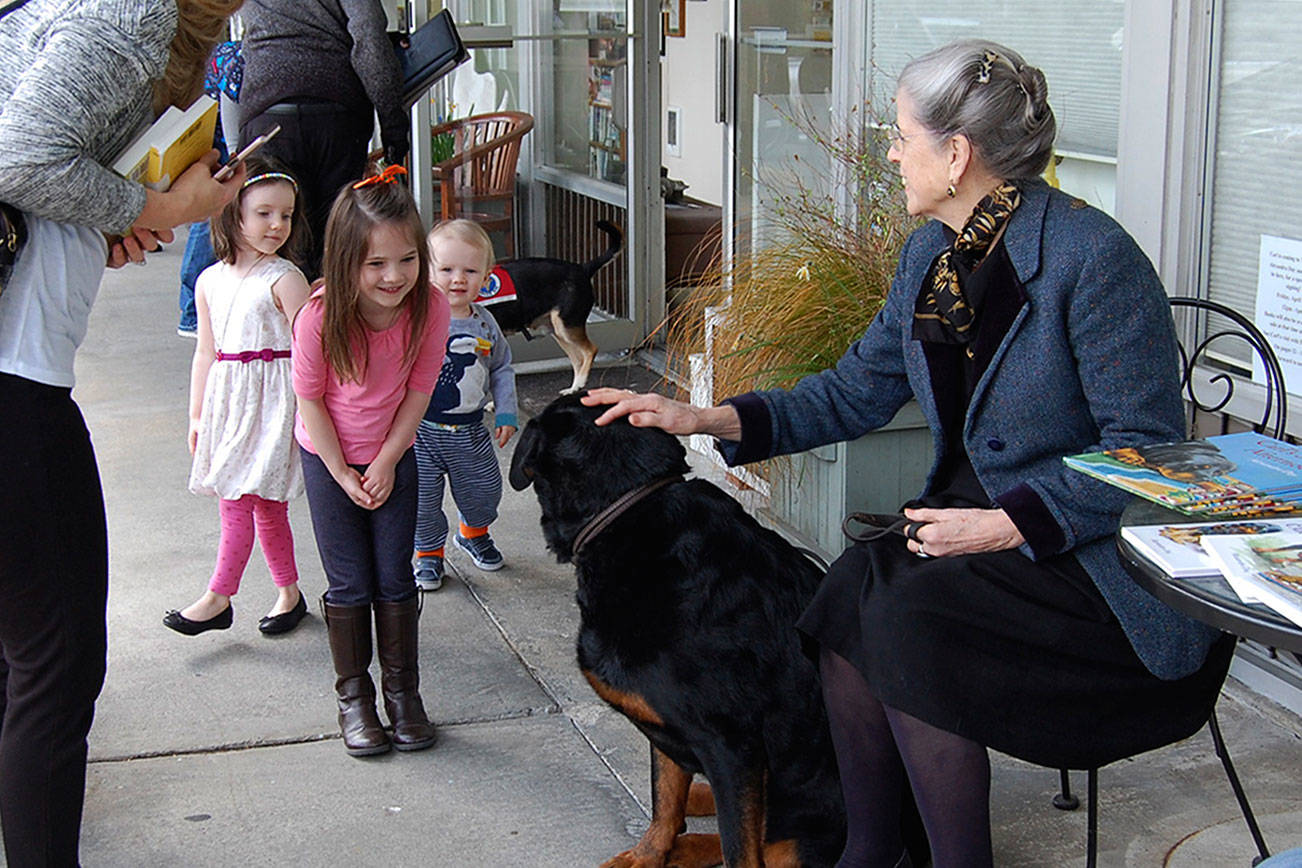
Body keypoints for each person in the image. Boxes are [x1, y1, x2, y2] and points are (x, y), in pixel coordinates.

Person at [585, 39, 1234, 868]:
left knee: (907, 613)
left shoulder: (1093, 261)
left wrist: (1005, 527)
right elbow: (855, 389)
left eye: (900, 135)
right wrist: (703, 417)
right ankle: (874, 847)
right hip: (979, 546)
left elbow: (1146, 454)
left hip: (1092, 570)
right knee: (853, 588)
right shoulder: (931, 258)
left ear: (956, 155)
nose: (889, 154)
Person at [0, 1, 246, 863]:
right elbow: (21, 157)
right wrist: (161, 203)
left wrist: (109, 218)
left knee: (23, 658)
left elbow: (40, 173)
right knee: (56, 667)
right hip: (14, 390)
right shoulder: (122, 16)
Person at [292, 166, 450, 756]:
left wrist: (386, 461)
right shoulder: (319, 316)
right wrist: (340, 472)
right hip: (328, 459)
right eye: (376, 265)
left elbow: (418, 390)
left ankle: (404, 695)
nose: (394, 277)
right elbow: (308, 399)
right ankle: (354, 699)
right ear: (345, 262)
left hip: (393, 455)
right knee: (350, 581)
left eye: (406, 260)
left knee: (395, 575)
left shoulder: (428, 307)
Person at [164, 159, 313, 638]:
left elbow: (312, 347)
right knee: (252, 501)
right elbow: (206, 351)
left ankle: (218, 596)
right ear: (233, 214)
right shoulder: (209, 280)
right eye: (264, 213)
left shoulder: (285, 277)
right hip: (230, 400)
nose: (277, 225)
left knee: (250, 499)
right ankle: (288, 594)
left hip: (273, 402)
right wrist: (196, 413)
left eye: (286, 215)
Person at [238, 0, 409, 281]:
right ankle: (324, 320)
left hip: (267, 113)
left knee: (269, 239)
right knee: (336, 241)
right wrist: (393, 126)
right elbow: (368, 35)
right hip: (337, 117)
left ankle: (279, 319)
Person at [412, 219, 518, 590]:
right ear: (427, 270)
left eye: (470, 271)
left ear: (486, 276)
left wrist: (506, 412)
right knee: (422, 498)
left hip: (471, 430)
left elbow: (502, 367)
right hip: (420, 430)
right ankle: (428, 553)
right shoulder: (417, 319)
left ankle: (473, 533)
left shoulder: (485, 324)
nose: (458, 279)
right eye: (446, 269)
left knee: (484, 490)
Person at [178, 38, 244, 337]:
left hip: (205, 141)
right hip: (213, 147)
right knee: (206, 220)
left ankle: (193, 310)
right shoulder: (236, 59)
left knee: (206, 219)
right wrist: (235, 156)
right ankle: (192, 312)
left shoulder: (234, 53)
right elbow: (231, 126)